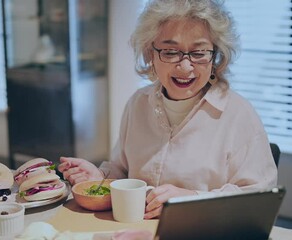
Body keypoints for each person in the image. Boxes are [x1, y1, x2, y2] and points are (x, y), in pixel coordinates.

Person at [58, 0, 277, 220]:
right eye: (170, 52)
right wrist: (101, 178)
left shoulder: (239, 115)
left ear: (215, 57)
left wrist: (191, 200)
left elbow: (258, 198)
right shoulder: (138, 104)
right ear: (150, 54)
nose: (185, 67)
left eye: (199, 52)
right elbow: (122, 171)